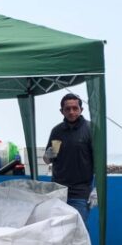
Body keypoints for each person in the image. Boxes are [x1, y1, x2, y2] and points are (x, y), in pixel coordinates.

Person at [43, 93, 96, 224]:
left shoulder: (92, 129)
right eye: (67, 109)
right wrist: (48, 155)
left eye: (75, 108)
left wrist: (97, 189)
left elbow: (99, 162)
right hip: (58, 190)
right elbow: (47, 160)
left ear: (81, 109)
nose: (71, 112)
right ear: (62, 111)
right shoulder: (56, 131)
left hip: (80, 193)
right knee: (57, 230)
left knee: (78, 230)